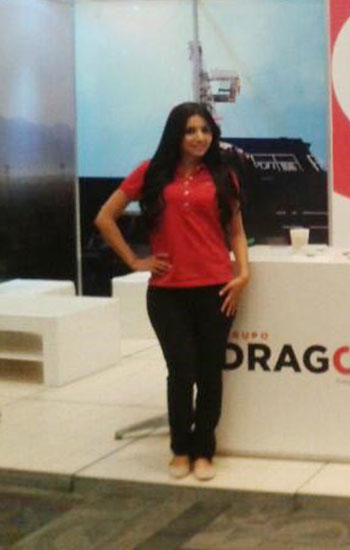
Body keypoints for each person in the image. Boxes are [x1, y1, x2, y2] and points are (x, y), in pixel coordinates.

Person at [95, 102, 250, 481]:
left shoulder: (223, 176)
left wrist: (244, 274)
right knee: (181, 372)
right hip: (167, 293)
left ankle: (204, 451)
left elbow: (236, 232)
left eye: (205, 130)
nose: (199, 138)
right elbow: (104, 217)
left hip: (217, 290)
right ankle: (180, 449)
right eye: (190, 131)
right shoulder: (150, 173)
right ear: (176, 135)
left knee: (210, 373)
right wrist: (135, 261)